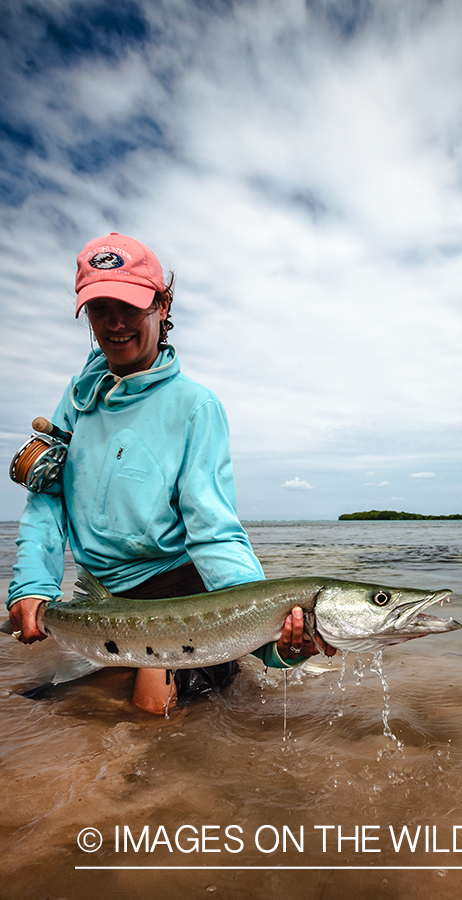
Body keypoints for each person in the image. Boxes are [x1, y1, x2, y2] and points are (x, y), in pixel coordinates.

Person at [8, 232, 334, 714]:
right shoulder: (79, 396)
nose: (115, 323)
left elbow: (215, 532)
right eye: (100, 309)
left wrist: (268, 635)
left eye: (131, 305)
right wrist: (32, 585)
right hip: (104, 599)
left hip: (176, 593)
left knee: (147, 713)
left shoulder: (196, 407)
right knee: (41, 706)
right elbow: (46, 497)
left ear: (162, 305)